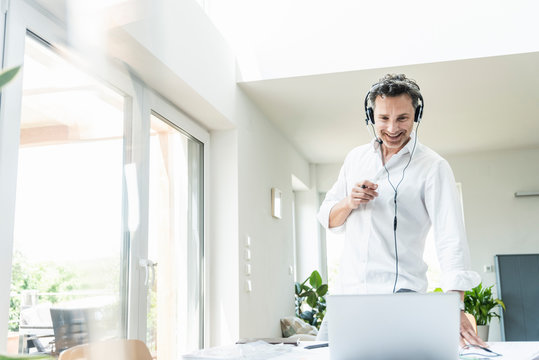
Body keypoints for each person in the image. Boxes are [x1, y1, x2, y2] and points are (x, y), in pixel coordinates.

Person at [317, 74, 484, 347]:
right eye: (383, 118)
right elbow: (329, 220)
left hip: (401, 299)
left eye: (402, 118)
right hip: (348, 298)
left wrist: (456, 307)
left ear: (416, 115)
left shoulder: (433, 166)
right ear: (371, 116)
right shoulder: (355, 159)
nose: (392, 128)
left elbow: (450, 237)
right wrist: (350, 202)